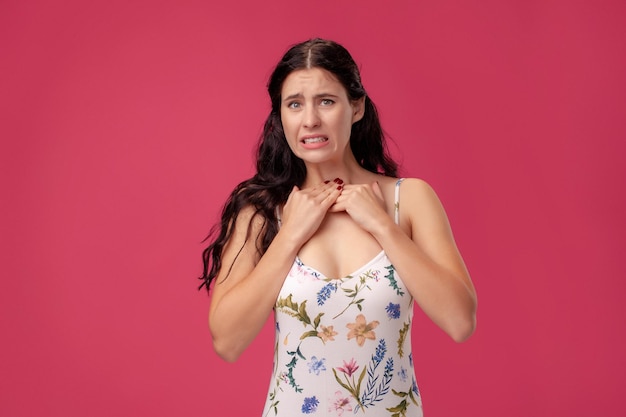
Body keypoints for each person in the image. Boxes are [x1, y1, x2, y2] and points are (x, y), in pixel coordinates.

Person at [199, 38, 477, 416]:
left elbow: (460, 321)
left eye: (326, 101)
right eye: (294, 104)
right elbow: (227, 342)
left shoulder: (408, 200)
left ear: (356, 106)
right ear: (281, 115)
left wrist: (382, 226)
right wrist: (291, 234)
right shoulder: (261, 211)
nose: (310, 119)